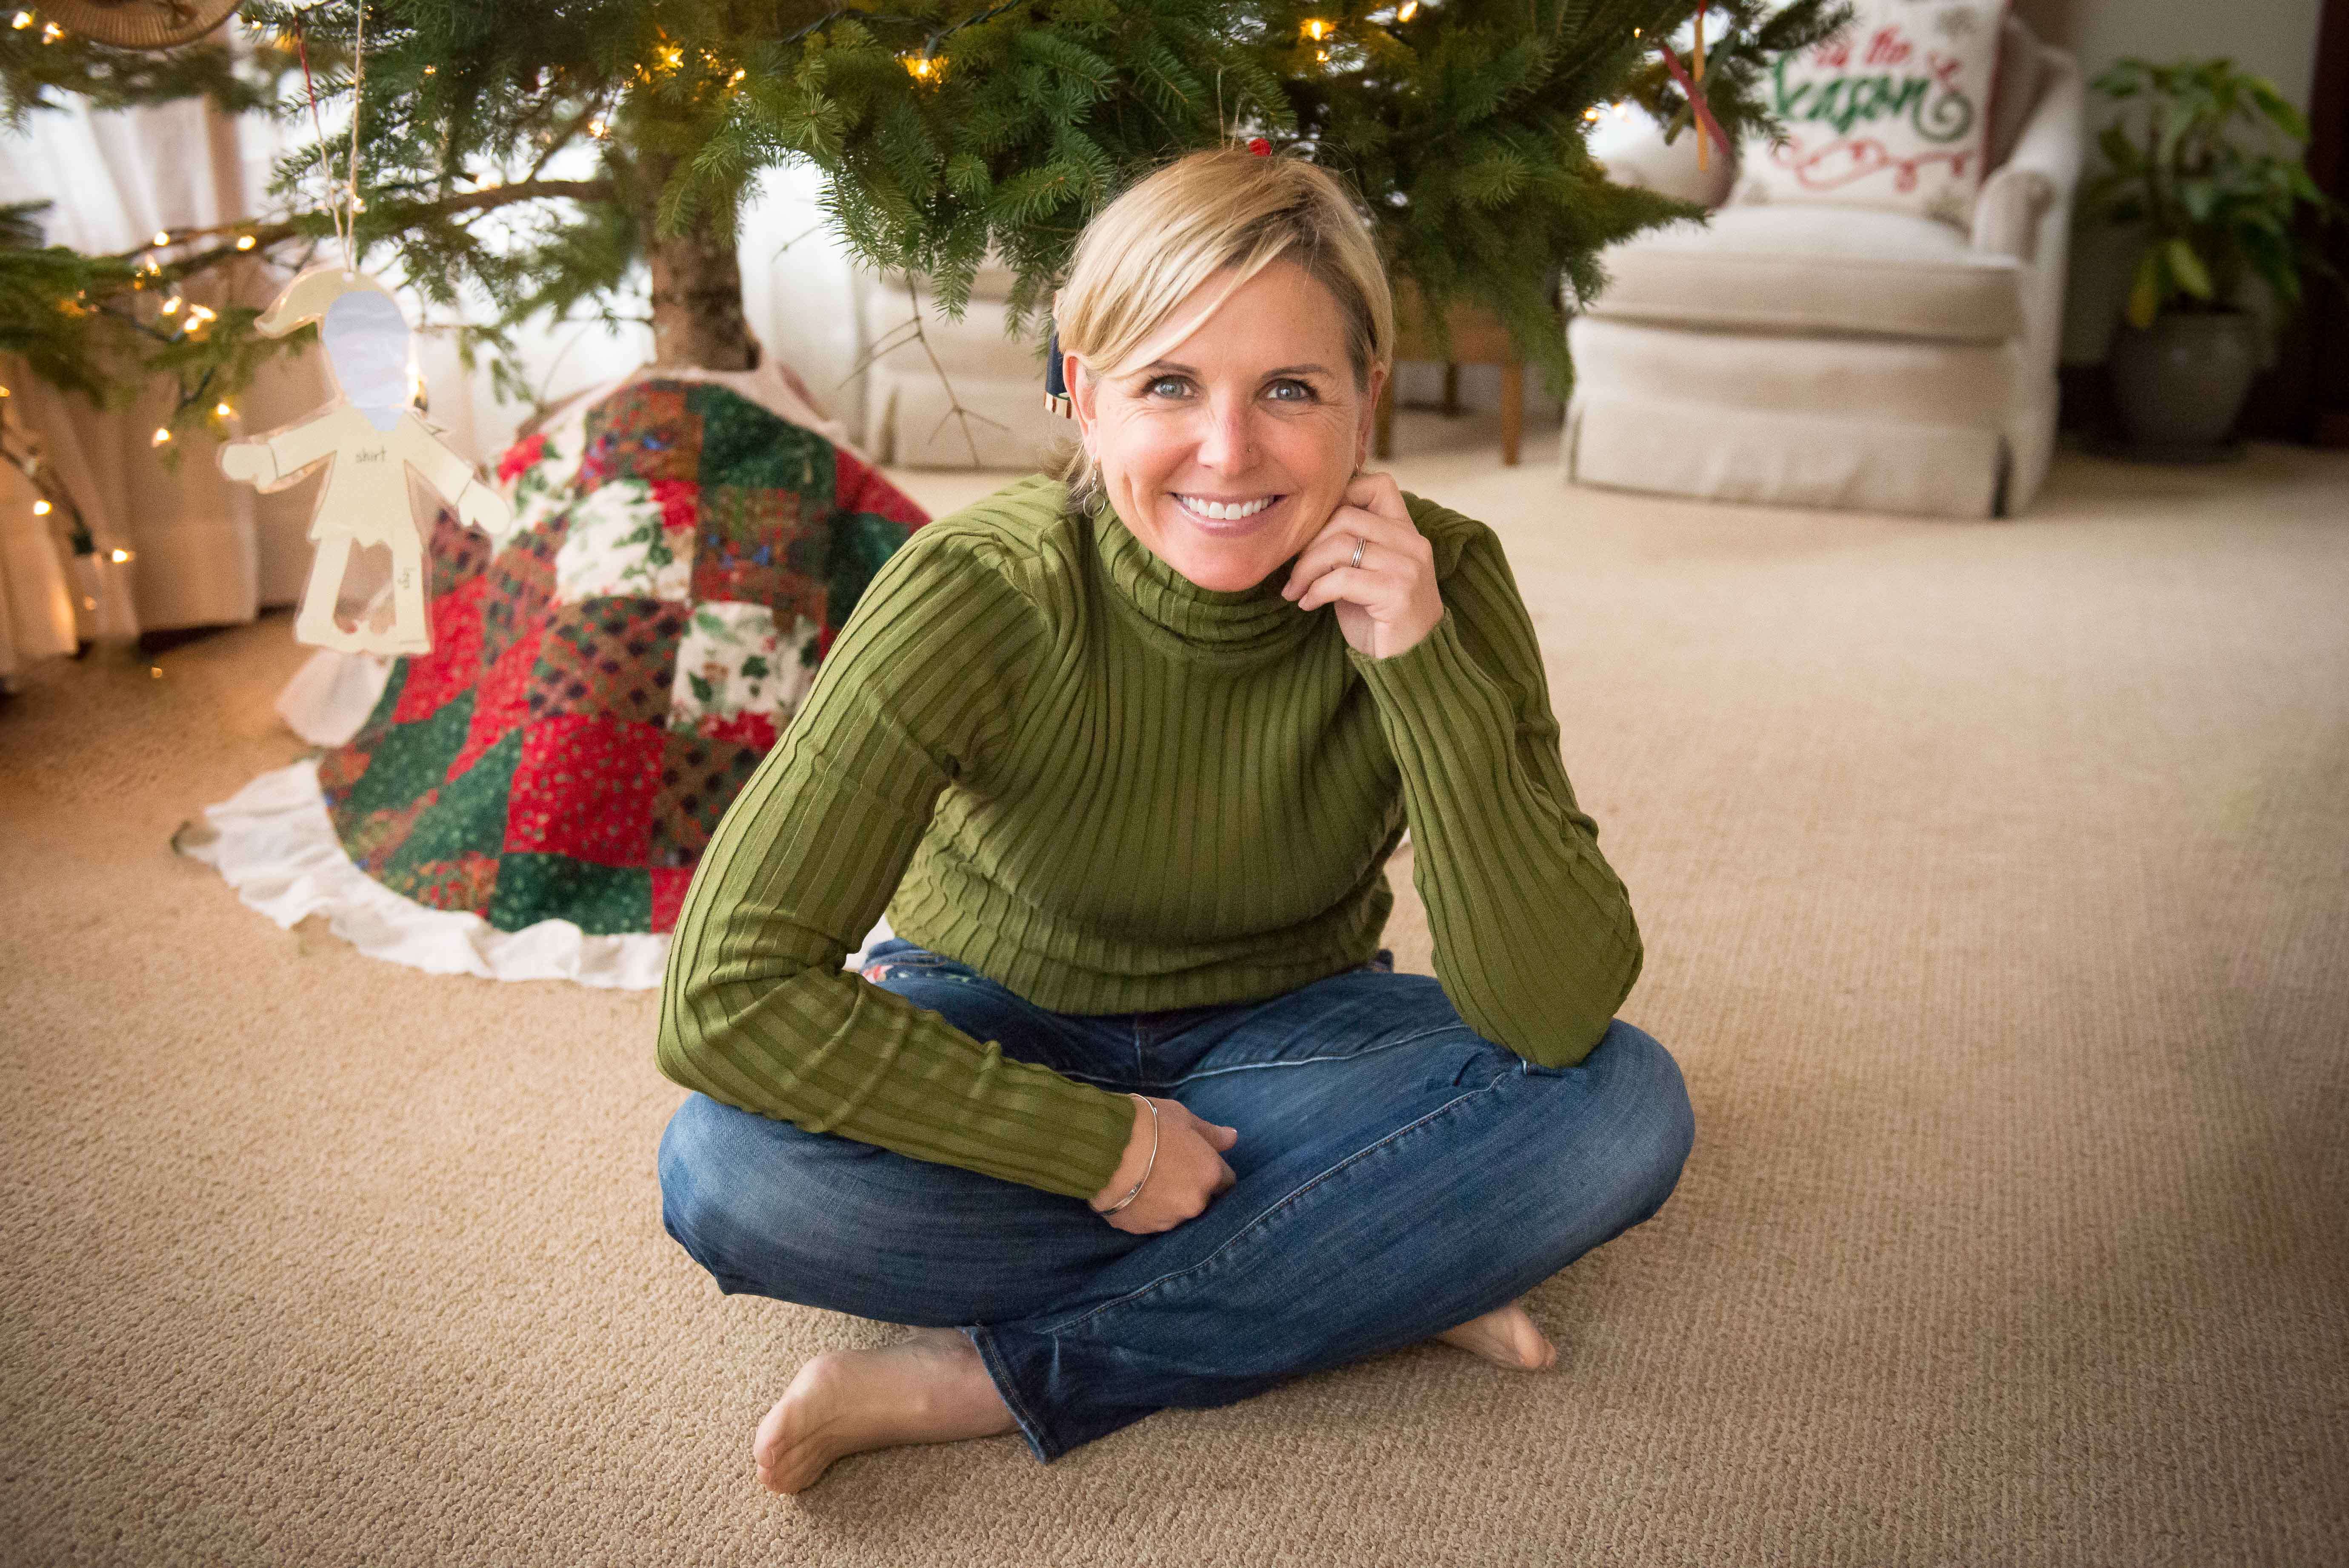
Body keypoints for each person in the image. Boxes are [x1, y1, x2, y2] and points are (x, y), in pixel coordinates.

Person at [654, 146, 1695, 1495]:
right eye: (1169, 385)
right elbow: (724, 995)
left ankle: (1007, 1374)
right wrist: (1101, 1146)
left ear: (1367, 399)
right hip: (999, 1021)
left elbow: (1554, 1009)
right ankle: (1370, 1258)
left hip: (1288, 1038)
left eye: (1290, 390)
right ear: (1086, 398)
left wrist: (1420, 664)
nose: (1229, 450)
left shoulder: (1443, 579)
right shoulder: (979, 588)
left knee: (1619, 1109)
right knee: (732, 1172)